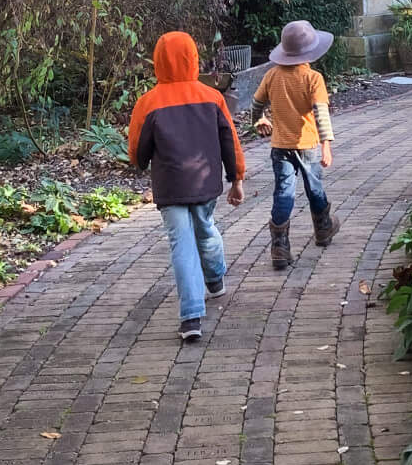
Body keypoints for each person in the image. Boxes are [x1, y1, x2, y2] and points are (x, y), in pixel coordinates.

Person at [128, 31, 245, 343]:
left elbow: (138, 149)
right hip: (205, 182)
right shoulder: (212, 97)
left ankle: (191, 316)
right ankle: (216, 278)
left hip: (170, 185)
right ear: (193, 59)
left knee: (181, 243)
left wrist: (141, 163)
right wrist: (237, 178)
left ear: (158, 62)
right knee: (206, 228)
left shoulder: (148, 103)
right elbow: (229, 141)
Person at [252, 19, 339, 271]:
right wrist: (326, 145)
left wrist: (259, 119)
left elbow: (256, 103)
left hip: (280, 147)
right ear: (311, 51)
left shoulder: (271, 75)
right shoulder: (313, 78)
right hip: (308, 145)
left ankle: (279, 246)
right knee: (314, 188)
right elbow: (321, 113)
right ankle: (323, 229)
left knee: (283, 193)